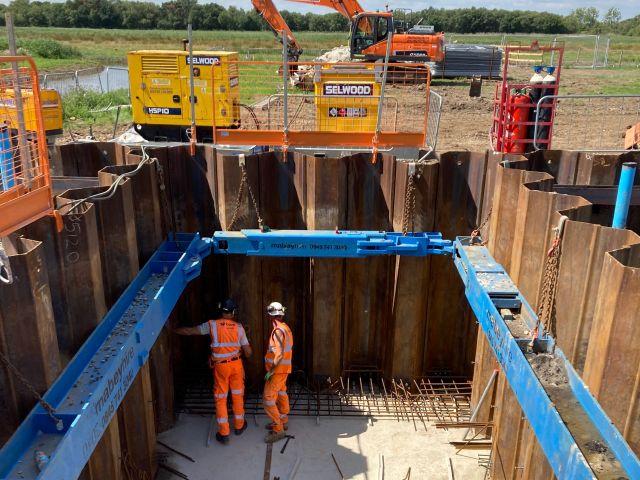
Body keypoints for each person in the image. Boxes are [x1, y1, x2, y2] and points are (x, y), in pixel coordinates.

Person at [172, 299, 252, 445]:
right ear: (233, 312)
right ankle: (239, 426)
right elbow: (248, 352)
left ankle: (224, 433)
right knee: (237, 395)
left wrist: (173, 330)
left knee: (221, 398)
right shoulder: (239, 328)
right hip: (236, 366)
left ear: (222, 311)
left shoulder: (211, 325)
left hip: (221, 367)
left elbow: (190, 331)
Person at [263, 301, 293, 444]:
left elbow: (279, 355)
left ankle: (278, 429)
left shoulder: (278, 331)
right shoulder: (285, 328)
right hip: (284, 371)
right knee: (281, 394)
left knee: (268, 399)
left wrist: (271, 372)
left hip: (277, 372)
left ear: (270, 316)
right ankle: (284, 421)